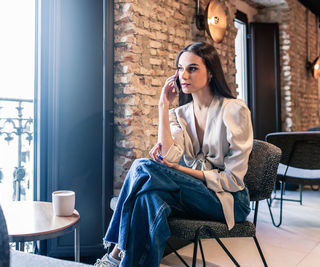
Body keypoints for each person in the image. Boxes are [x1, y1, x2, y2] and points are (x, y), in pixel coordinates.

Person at [94, 42, 253, 267]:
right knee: (147, 199)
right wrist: (163, 104)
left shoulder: (234, 110)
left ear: (210, 72)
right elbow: (168, 158)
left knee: (141, 167)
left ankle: (115, 252)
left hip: (228, 200)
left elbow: (233, 180)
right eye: (180, 68)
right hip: (192, 193)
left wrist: (179, 169)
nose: (183, 75)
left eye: (192, 68)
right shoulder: (179, 114)